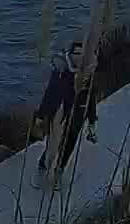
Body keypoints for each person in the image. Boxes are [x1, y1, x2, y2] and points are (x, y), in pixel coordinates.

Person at [31, 39, 98, 188]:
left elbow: (91, 98)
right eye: (77, 54)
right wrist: (41, 116)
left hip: (77, 117)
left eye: (83, 54)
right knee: (53, 145)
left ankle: (58, 173)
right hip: (59, 117)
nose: (80, 57)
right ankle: (42, 170)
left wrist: (92, 122)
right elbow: (49, 95)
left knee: (68, 147)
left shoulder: (89, 72)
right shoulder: (61, 72)